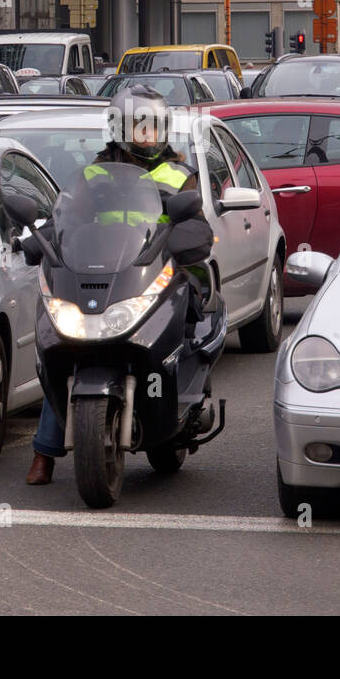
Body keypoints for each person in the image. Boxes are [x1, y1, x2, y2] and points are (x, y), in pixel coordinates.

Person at [26, 86, 213, 486]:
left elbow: (197, 224)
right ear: (120, 128)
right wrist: (38, 238)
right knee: (63, 348)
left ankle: (184, 397)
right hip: (104, 272)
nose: (149, 135)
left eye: (156, 127)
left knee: (187, 316)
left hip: (157, 268)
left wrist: (186, 239)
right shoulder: (94, 174)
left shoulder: (178, 173)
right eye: (141, 126)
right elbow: (66, 216)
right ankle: (44, 451)